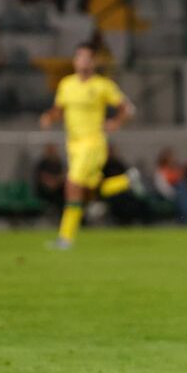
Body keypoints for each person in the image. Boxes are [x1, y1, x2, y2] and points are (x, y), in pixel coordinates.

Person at [39, 42, 137, 249]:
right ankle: (125, 182)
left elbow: (126, 108)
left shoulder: (103, 85)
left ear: (93, 61)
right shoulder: (66, 84)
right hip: (73, 144)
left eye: (86, 57)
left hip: (93, 144)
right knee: (90, 190)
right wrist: (49, 117)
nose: (81, 61)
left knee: (71, 185)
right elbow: (58, 109)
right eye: (78, 56)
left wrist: (116, 122)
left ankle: (65, 238)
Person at [34, 143, 66, 212]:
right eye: (50, 150)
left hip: (57, 189)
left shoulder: (58, 163)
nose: (52, 152)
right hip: (44, 190)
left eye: (53, 150)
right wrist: (51, 182)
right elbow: (43, 177)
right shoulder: (42, 163)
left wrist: (56, 182)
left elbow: (62, 176)